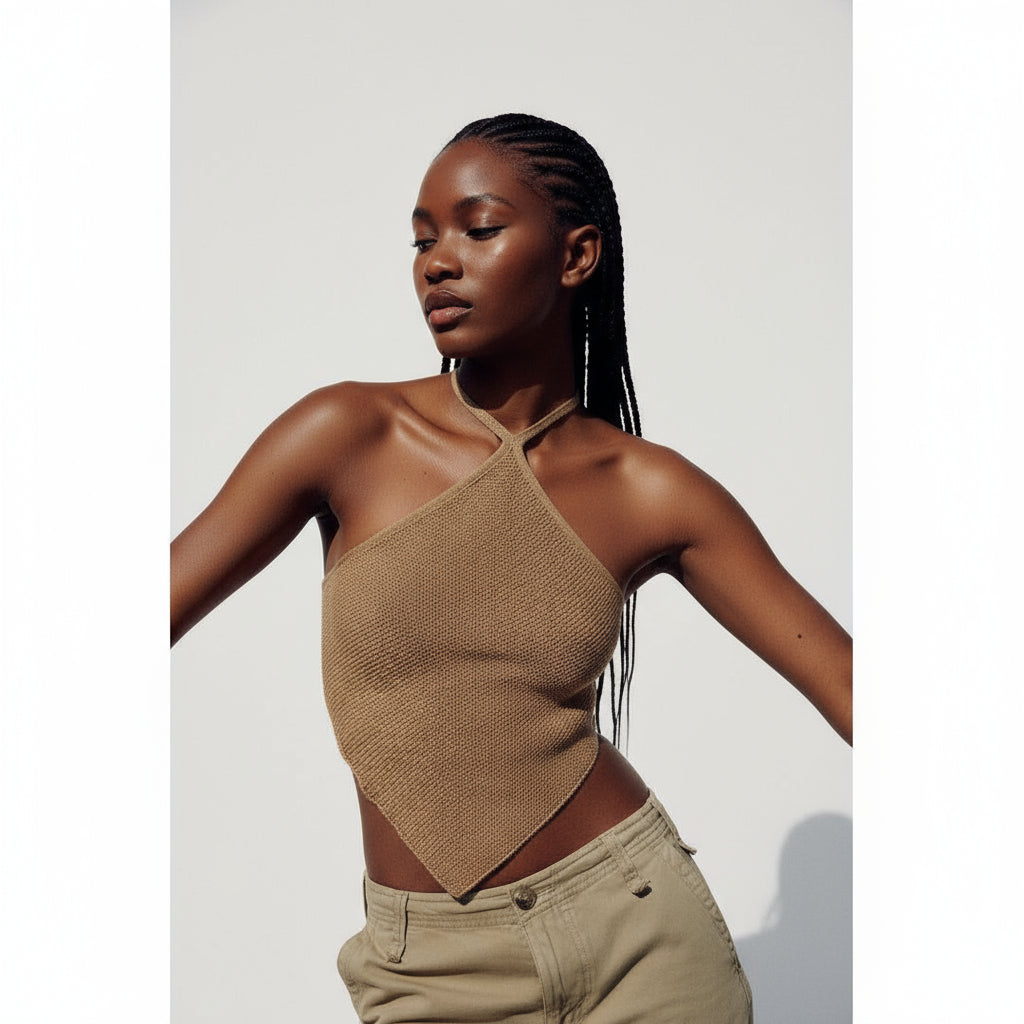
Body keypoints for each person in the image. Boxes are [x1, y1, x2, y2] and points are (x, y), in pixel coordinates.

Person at [171, 113, 851, 1023]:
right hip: (430, 967)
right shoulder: (348, 434)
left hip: (641, 939)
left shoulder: (648, 489)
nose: (437, 261)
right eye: (422, 238)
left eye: (477, 228)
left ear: (576, 256)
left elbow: (851, 686)